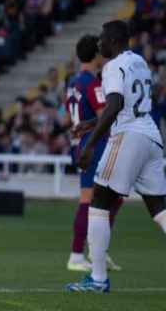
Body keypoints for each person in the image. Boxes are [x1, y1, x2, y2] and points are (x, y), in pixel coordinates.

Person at [68, 20, 166, 293]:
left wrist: (89, 146)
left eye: (102, 38)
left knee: (98, 202)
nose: (99, 44)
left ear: (113, 40)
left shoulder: (112, 66)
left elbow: (114, 104)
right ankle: (97, 277)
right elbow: (130, 104)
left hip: (128, 136)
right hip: (151, 135)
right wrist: (89, 124)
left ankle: (97, 280)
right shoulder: (139, 62)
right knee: (159, 208)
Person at [65, 35, 123, 272]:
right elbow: (103, 116)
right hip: (93, 145)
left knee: (114, 198)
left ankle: (98, 252)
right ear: (97, 55)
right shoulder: (92, 83)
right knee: (89, 199)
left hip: (82, 143)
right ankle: (76, 255)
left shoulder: (73, 81)